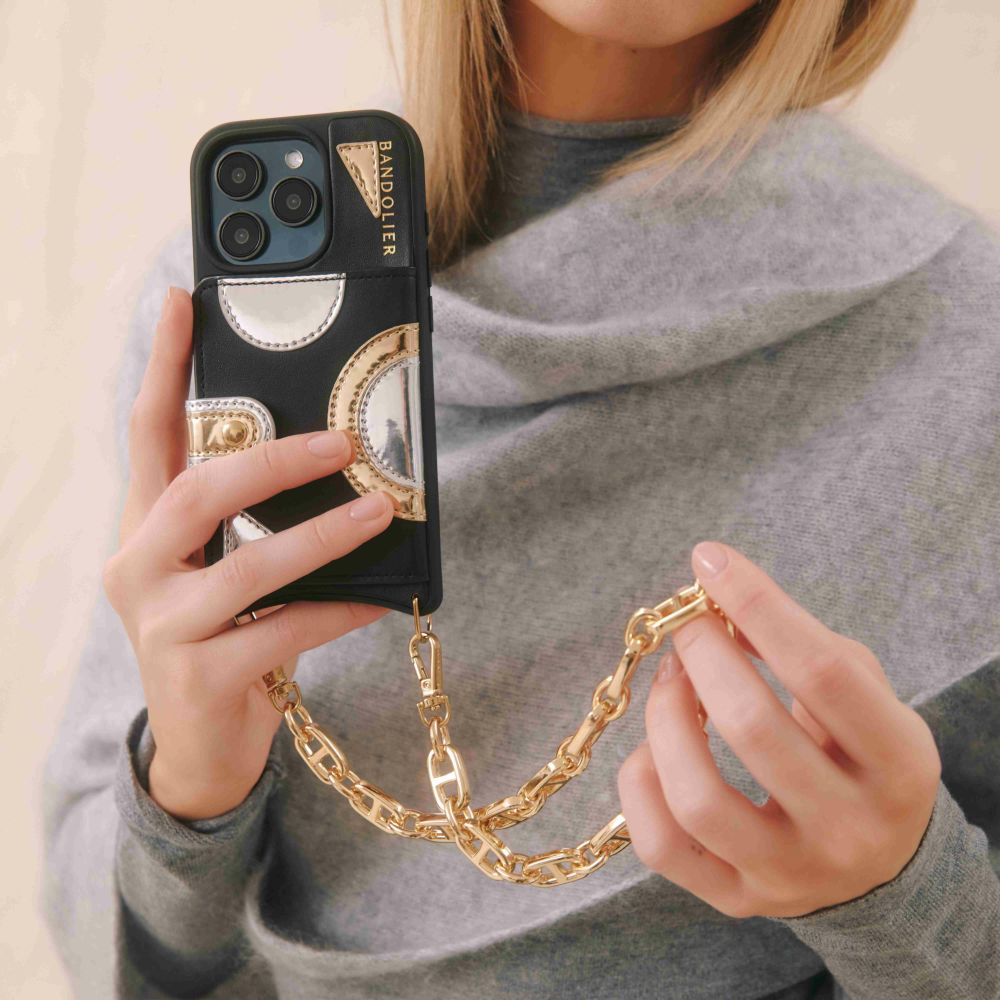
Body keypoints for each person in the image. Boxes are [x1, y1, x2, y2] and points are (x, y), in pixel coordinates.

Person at [43, 1, 1000, 997]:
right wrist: (187, 795)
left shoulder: (972, 354)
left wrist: (905, 902)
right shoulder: (213, 321)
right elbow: (111, 946)